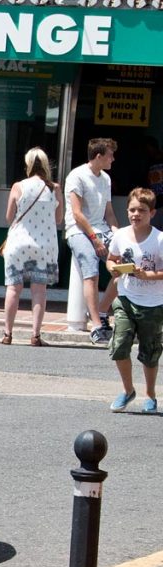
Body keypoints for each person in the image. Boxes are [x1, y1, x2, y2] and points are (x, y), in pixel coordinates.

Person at [105, 188, 163, 414]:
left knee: (150, 352)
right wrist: (114, 269)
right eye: (132, 209)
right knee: (119, 346)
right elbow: (111, 259)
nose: (136, 214)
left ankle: (150, 394)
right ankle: (128, 390)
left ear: (152, 213)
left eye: (142, 210)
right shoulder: (120, 236)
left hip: (153, 303)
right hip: (126, 299)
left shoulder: (158, 239)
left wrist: (150, 275)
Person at [0, 147, 62, 347]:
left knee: (13, 288)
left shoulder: (18, 186)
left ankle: (7, 333)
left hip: (18, 244)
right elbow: (59, 219)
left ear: (28, 164)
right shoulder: (55, 188)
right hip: (44, 245)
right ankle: (35, 335)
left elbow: (9, 217)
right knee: (39, 290)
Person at [65, 138, 120, 343]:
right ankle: (96, 325)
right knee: (91, 270)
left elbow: (110, 213)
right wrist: (95, 239)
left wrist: (118, 235)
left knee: (123, 266)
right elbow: (77, 214)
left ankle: (103, 310)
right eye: (110, 155)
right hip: (78, 230)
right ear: (99, 156)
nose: (113, 159)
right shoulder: (76, 176)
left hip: (101, 227)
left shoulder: (105, 179)